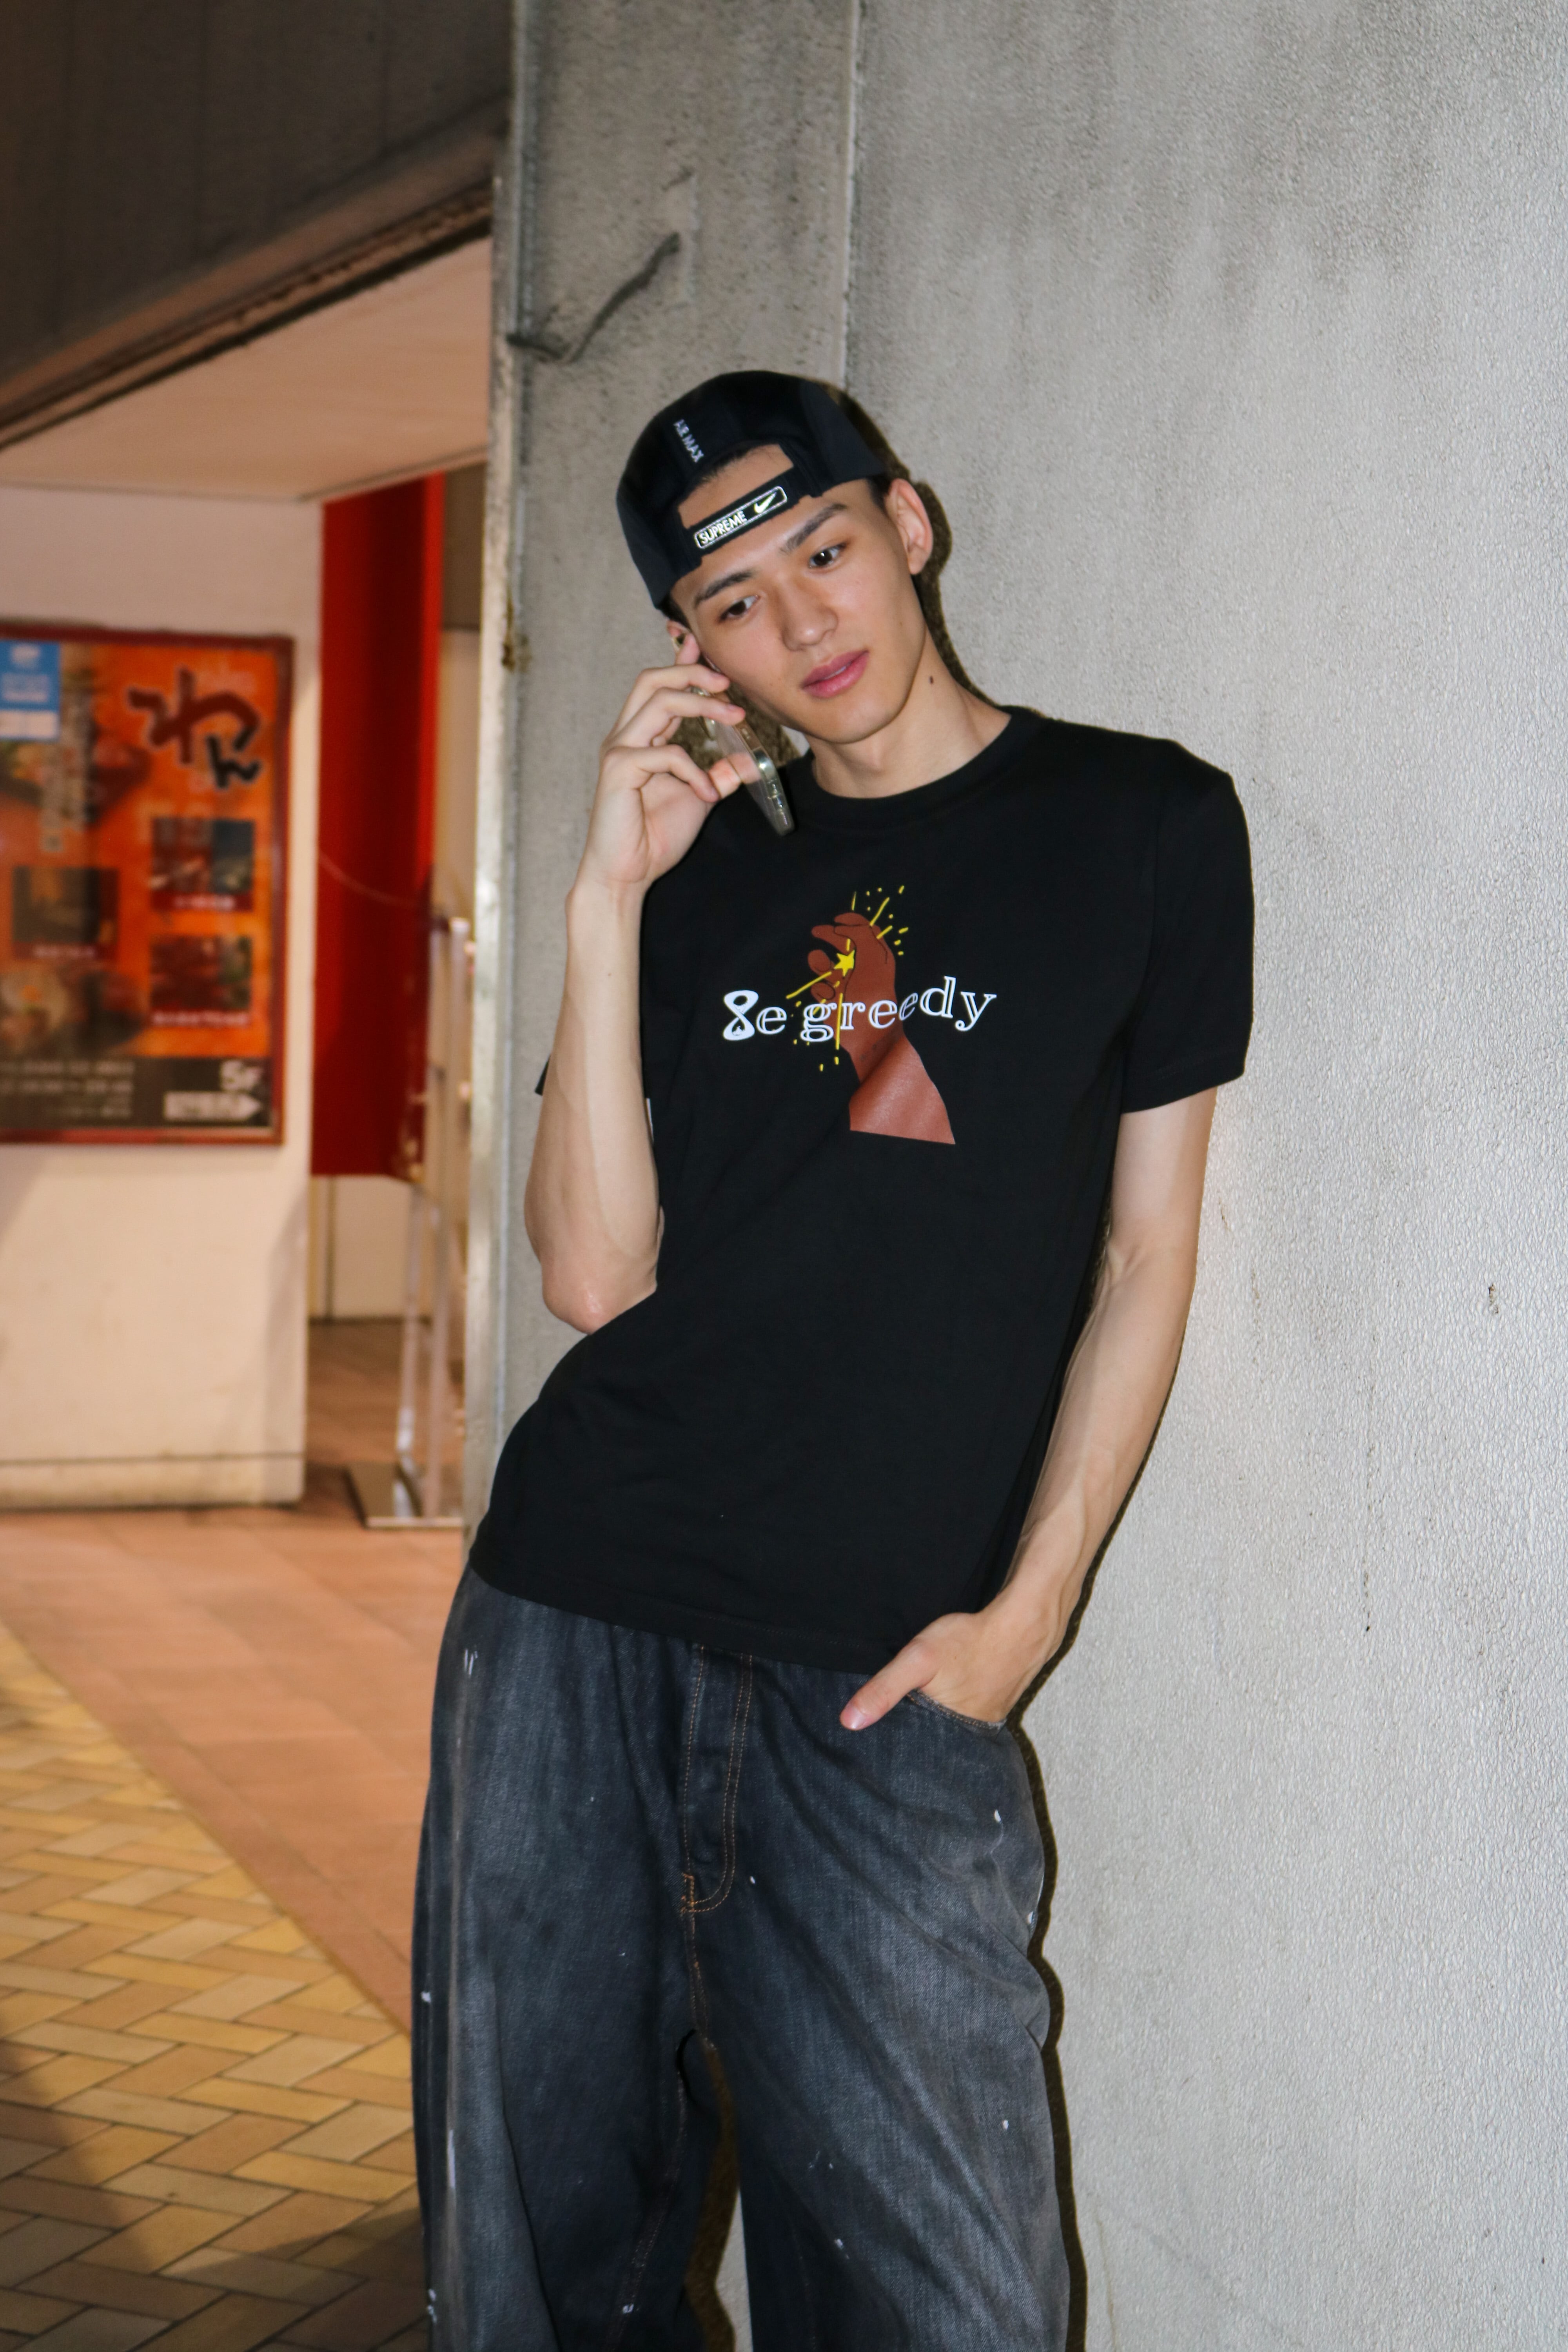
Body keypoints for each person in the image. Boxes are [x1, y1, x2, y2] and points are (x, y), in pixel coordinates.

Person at [414, 371, 1253, 2350]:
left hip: (885, 1666)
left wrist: (1030, 1614)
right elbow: (592, 1274)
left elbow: (1146, 1254)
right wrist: (606, 896)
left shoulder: (1139, 823)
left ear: (908, 523)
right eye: (736, 603)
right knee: (540, 2264)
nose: (803, 623)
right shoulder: (696, 876)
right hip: (577, 1617)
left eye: (825, 550)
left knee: (949, 2302)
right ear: (690, 647)